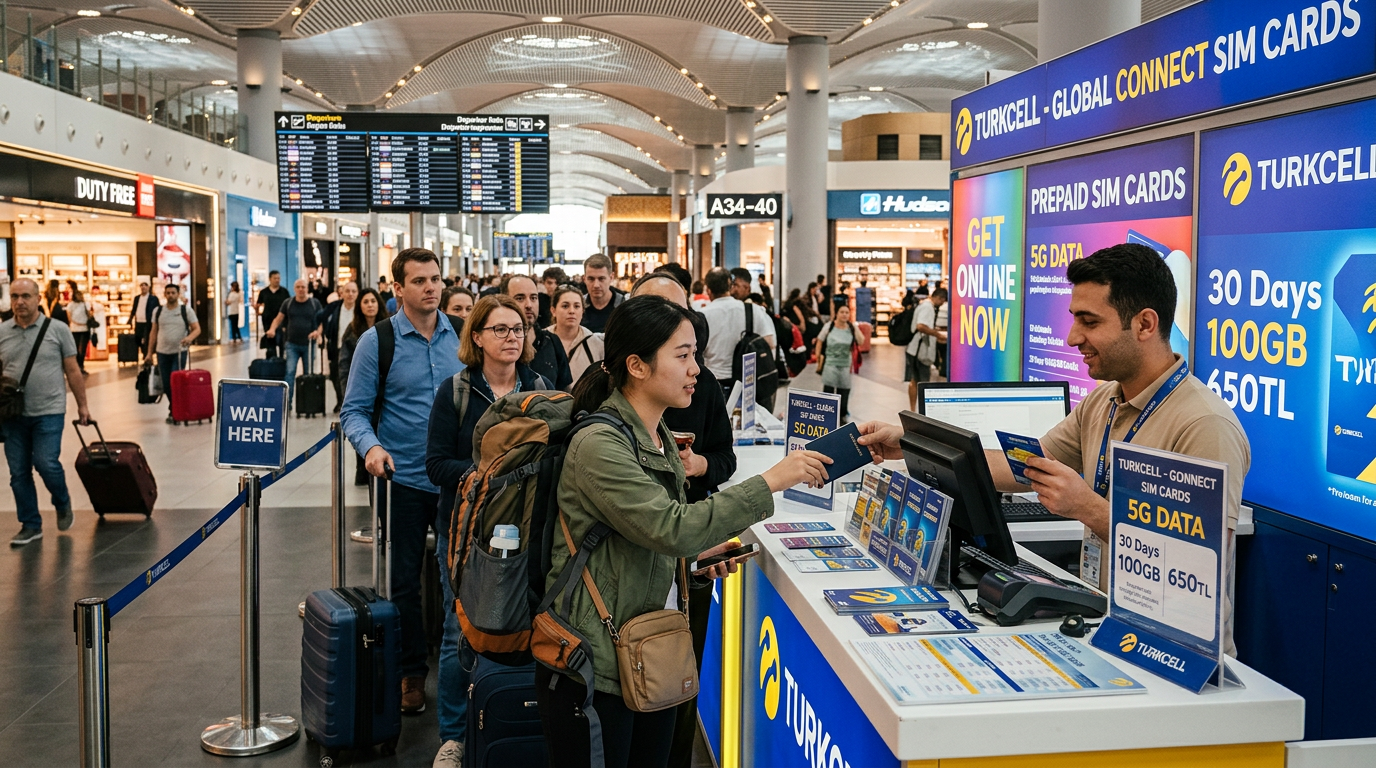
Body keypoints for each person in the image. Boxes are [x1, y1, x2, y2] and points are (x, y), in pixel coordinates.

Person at [858, 243, 1251, 651]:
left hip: (1175, 648)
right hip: (1107, 625)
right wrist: (909, 444)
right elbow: (1021, 467)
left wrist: (1087, 507)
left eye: (1089, 321)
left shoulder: (1204, 424)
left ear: (1145, 324)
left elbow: (1198, 563)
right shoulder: (1104, 401)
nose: (1072, 337)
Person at [536, 295, 830, 768]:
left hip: (647, 650)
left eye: (695, 352)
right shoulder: (600, 444)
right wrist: (773, 479)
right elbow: (670, 526)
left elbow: (644, 536)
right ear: (636, 365)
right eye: (683, 355)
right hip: (595, 663)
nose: (697, 368)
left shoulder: (656, 434)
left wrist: (697, 559)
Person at [425, 294, 551, 768]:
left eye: (517, 328)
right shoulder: (455, 392)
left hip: (525, 534)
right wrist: (491, 478)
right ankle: (454, 737)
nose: (511, 337)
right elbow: (436, 464)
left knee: (526, 625)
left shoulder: (540, 388)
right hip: (464, 536)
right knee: (460, 627)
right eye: (499, 329)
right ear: (476, 337)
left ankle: (517, 721)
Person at [341, 248, 462, 716]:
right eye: (419, 281)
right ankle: (412, 672)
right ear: (398, 289)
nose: (430, 288)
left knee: (459, 576)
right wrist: (371, 447)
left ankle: (461, 666)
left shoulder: (461, 337)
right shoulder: (379, 342)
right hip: (403, 479)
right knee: (405, 582)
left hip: (455, 480)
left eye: (435, 279)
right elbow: (353, 410)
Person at [628, 274, 737, 768]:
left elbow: (724, 458)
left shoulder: (702, 385)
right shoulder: (605, 418)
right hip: (630, 579)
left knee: (677, 677)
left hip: (686, 557)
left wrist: (701, 466)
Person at [1, 278, 91, 545]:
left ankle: (62, 501)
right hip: (12, 414)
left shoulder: (58, 329)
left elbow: (73, 370)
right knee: (18, 472)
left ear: (38, 299)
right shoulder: (3, 331)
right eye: (15, 296)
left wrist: (83, 405)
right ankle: (30, 524)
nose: (20, 302)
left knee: (46, 462)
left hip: (49, 410)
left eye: (26, 296)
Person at [339, 288, 388, 486]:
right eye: (365, 301)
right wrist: (345, 395)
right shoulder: (352, 331)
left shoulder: (388, 330)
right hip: (361, 390)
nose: (370, 305)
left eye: (373, 301)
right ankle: (363, 471)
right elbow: (344, 366)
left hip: (383, 394)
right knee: (363, 430)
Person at [697, 267, 774, 393]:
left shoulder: (702, 315)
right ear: (730, 286)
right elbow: (769, 343)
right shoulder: (753, 310)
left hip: (713, 382)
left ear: (708, 290)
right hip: (747, 383)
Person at [143, 283, 200, 424]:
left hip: (179, 352)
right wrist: (149, 353)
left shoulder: (186, 310)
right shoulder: (158, 311)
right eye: (168, 293)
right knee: (167, 384)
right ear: (164, 294)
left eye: (173, 293)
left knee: (176, 382)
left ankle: (175, 411)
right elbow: (153, 332)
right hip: (162, 352)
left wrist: (189, 338)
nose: (170, 295)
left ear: (178, 294)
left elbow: (197, 329)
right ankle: (174, 408)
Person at [503, 274, 572, 390]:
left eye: (533, 298)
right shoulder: (497, 344)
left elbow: (565, 392)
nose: (529, 305)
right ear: (504, 301)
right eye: (520, 298)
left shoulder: (552, 342)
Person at [264, 279, 324, 409]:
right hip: (292, 344)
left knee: (309, 374)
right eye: (298, 287)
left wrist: (317, 333)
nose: (301, 289)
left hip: (309, 344)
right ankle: (287, 403)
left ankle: (308, 403)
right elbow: (278, 318)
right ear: (294, 289)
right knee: (290, 372)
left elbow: (321, 323)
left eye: (303, 287)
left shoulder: (314, 303)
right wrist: (272, 329)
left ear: (307, 288)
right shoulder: (288, 303)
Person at [548, 285, 603, 383]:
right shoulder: (542, 340)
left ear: (582, 311)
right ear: (553, 311)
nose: (572, 311)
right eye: (565, 306)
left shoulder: (596, 343)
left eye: (577, 306)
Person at [815, 303, 859, 423]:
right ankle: (827, 413)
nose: (844, 315)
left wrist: (856, 328)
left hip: (845, 363)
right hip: (830, 362)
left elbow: (861, 341)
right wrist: (818, 356)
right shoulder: (829, 326)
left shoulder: (851, 327)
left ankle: (842, 414)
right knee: (829, 388)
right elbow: (819, 340)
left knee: (844, 388)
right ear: (837, 314)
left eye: (847, 312)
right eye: (842, 312)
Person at [905, 287, 947, 411]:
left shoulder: (924, 305)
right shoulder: (928, 307)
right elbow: (921, 326)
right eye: (942, 301)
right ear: (939, 298)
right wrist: (937, 334)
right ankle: (922, 410)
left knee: (914, 379)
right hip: (920, 350)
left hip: (913, 349)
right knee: (923, 381)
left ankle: (913, 409)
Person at [321, 282, 358, 414]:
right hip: (337, 348)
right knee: (337, 376)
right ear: (341, 293)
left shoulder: (360, 310)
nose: (350, 294)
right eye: (347, 291)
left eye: (353, 291)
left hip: (356, 350)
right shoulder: (335, 308)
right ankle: (340, 400)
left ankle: (350, 403)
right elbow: (321, 317)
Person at [580, 253, 624, 333]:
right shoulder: (578, 306)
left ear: (611, 277)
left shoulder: (624, 306)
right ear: (584, 279)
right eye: (591, 279)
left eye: (601, 279)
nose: (596, 285)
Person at [255, 270, 289, 357]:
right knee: (270, 339)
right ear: (270, 279)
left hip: (281, 319)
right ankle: (271, 358)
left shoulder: (284, 292)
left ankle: (281, 359)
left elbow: (288, 305)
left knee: (281, 339)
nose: (277, 280)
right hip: (267, 319)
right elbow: (258, 304)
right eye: (275, 278)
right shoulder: (264, 292)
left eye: (278, 278)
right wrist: (257, 309)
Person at [65, 284, 93, 375]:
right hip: (81, 328)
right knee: (80, 349)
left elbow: (69, 317)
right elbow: (89, 314)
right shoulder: (82, 304)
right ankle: (80, 366)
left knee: (78, 348)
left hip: (77, 328)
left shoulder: (72, 305)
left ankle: (79, 366)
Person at [129, 281, 160, 354]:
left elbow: (157, 309)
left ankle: (147, 355)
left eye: (145, 285)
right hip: (139, 322)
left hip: (148, 322)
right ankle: (144, 352)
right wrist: (130, 319)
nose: (143, 287)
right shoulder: (137, 298)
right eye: (142, 285)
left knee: (147, 339)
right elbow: (134, 309)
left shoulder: (153, 298)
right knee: (138, 339)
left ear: (148, 287)